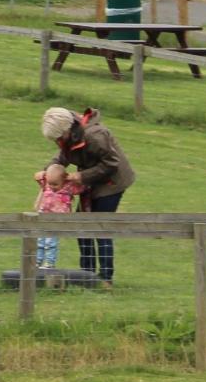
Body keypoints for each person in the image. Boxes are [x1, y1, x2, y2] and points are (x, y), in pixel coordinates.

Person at [40, 106, 135, 287]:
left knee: (100, 227)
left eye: (59, 138)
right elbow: (62, 156)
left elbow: (111, 164)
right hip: (92, 181)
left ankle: (106, 279)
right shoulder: (68, 137)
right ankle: (87, 276)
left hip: (112, 183)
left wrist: (82, 176)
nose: (58, 142)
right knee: (82, 225)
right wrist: (47, 171)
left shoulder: (95, 136)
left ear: (67, 130)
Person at [32, 164, 84, 270]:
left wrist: (72, 178)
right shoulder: (47, 185)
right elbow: (37, 177)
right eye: (50, 183)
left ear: (63, 180)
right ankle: (37, 262)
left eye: (55, 184)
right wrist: (42, 174)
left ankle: (49, 263)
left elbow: (81, 188)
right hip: (44, 217)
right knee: (40, 242)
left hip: (57, 220)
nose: (52, 186)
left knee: (50, 242)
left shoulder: (68, 187)